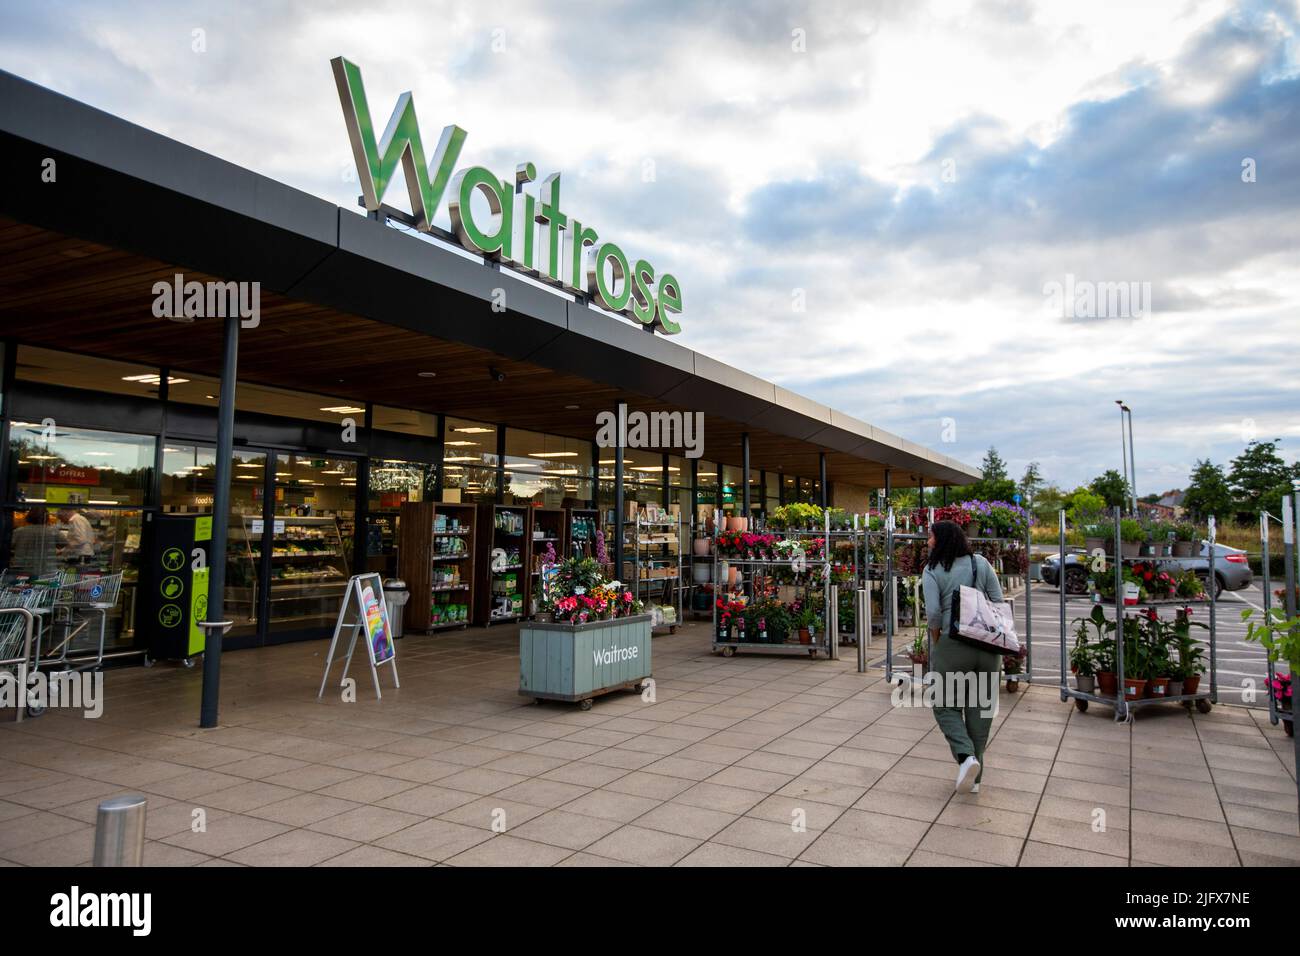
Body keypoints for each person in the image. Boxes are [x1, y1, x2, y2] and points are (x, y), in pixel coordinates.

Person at [922, 519, 1003, 794]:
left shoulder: (932, 570)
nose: (928, 542)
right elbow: (998, 601)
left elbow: (933, 614)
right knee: (980, 712)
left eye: (930, 537)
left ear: (941, 540)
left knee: (944, 705)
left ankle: (966, 757)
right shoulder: (980, 563)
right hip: (989, 646)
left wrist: (937, 639)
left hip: (953, 643)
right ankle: (975, 779)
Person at [10, 507, 59, 575]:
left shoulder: (19, 531)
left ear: (29, 516)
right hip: (47, 569)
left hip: (23, 569)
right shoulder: (52, 531)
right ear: (47, 517)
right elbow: (63, 544)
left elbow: (7, 546)